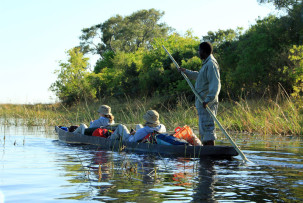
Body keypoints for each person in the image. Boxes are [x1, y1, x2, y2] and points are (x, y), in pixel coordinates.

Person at [179, 42, 221, 146]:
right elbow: (200, 77)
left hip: (207, 103)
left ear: (204, 51)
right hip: (203, 102)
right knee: (204, 130)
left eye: (199, 50)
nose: (198, 53)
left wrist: (208, 99)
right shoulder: (206, 64)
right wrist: (186, 72)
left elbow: (215, 84)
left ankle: (211, 154)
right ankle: (207, 155)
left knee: (208, 130)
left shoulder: (211, 64)